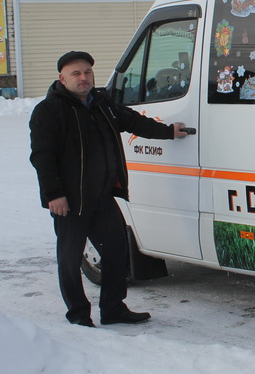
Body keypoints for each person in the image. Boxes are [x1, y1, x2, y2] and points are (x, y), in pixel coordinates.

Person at [29, 51, 188, 327]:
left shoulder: (102, 103)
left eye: (87, 72)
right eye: (76, 73)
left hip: (102, 196)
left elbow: (134, 121)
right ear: (62, 79)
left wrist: (168, 131)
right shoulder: (49, 110)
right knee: (70, 259)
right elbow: (43, 156)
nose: (83, 78)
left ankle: (113, 308)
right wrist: (53, 194)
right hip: (71, 201)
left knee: (117, 251)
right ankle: (78, 314)